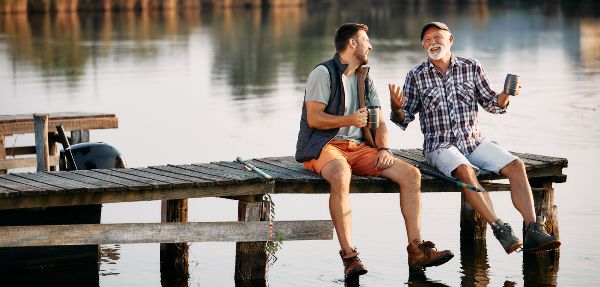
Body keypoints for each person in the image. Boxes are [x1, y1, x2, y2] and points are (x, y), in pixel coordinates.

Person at [295, 23, 454, 281]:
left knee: (411, 174)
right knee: (340, 172)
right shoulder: (322, 73)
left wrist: (383, 148)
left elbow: (379, 121)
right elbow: (313, 119)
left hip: (359, 148)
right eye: (366, 40)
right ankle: (349, 257)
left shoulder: (365, 77)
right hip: (323, 147)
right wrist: (349, 120)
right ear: (352, 44)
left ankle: (417, 250)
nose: (371, 45)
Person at [389, 21, 561, 254]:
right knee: (465, 170)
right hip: (439, 146)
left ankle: (533, 230)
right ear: (423, 46)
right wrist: (396, 107)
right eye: (427, 40)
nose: (432, 42)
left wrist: (506, 95)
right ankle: (500, 229)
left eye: (437, 37)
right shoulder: (415, 75)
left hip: (474, 141)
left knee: (516, 164)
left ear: (450, 40)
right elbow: (403, 119)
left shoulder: (472, 66)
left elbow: (493, 104)